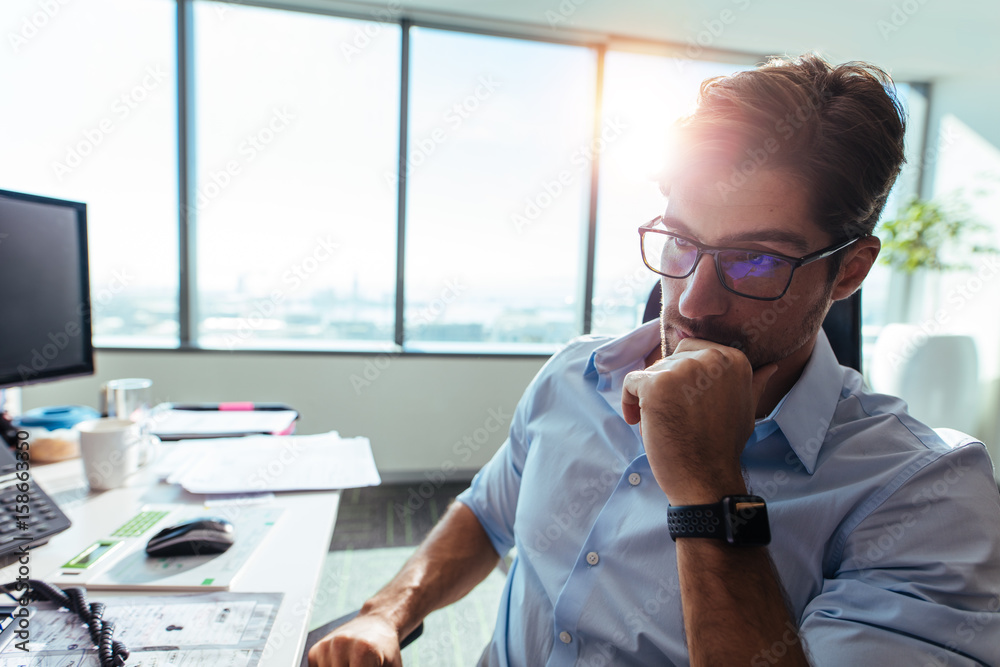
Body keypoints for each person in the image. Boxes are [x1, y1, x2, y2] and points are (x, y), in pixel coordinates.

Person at [309, 54, 1000, 666]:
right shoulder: (575, 376)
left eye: (756, 258)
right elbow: (487, 513)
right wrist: (385, 610)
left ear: (849, 270)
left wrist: (710, 491)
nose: (693, 303)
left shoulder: (926, 496)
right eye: (679, 241)